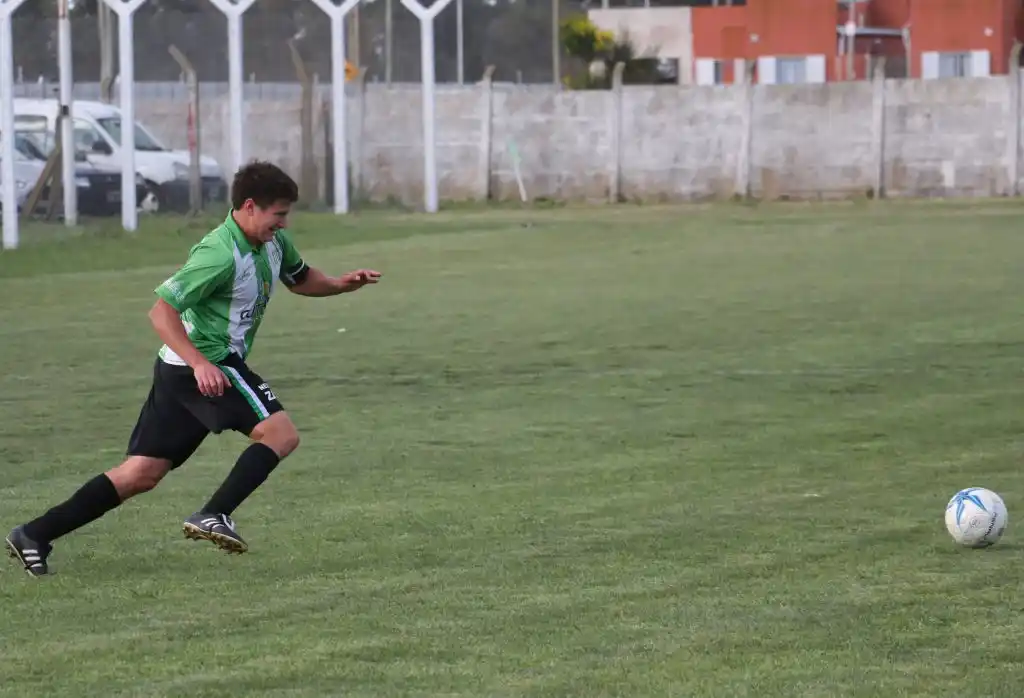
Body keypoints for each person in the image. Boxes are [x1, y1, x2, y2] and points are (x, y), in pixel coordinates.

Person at [6, 160, 381, 577]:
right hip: (205, 363)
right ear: (250, 206)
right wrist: (200, 364)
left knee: (141, 473)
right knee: (281, 434)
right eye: (278, 214)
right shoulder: (218, 254)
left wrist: (342, 284)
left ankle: (33, 534)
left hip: (180, 370)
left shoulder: (272, 243)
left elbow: (301, 277)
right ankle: (214, 514)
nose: (284, 223)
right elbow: (161, 312)